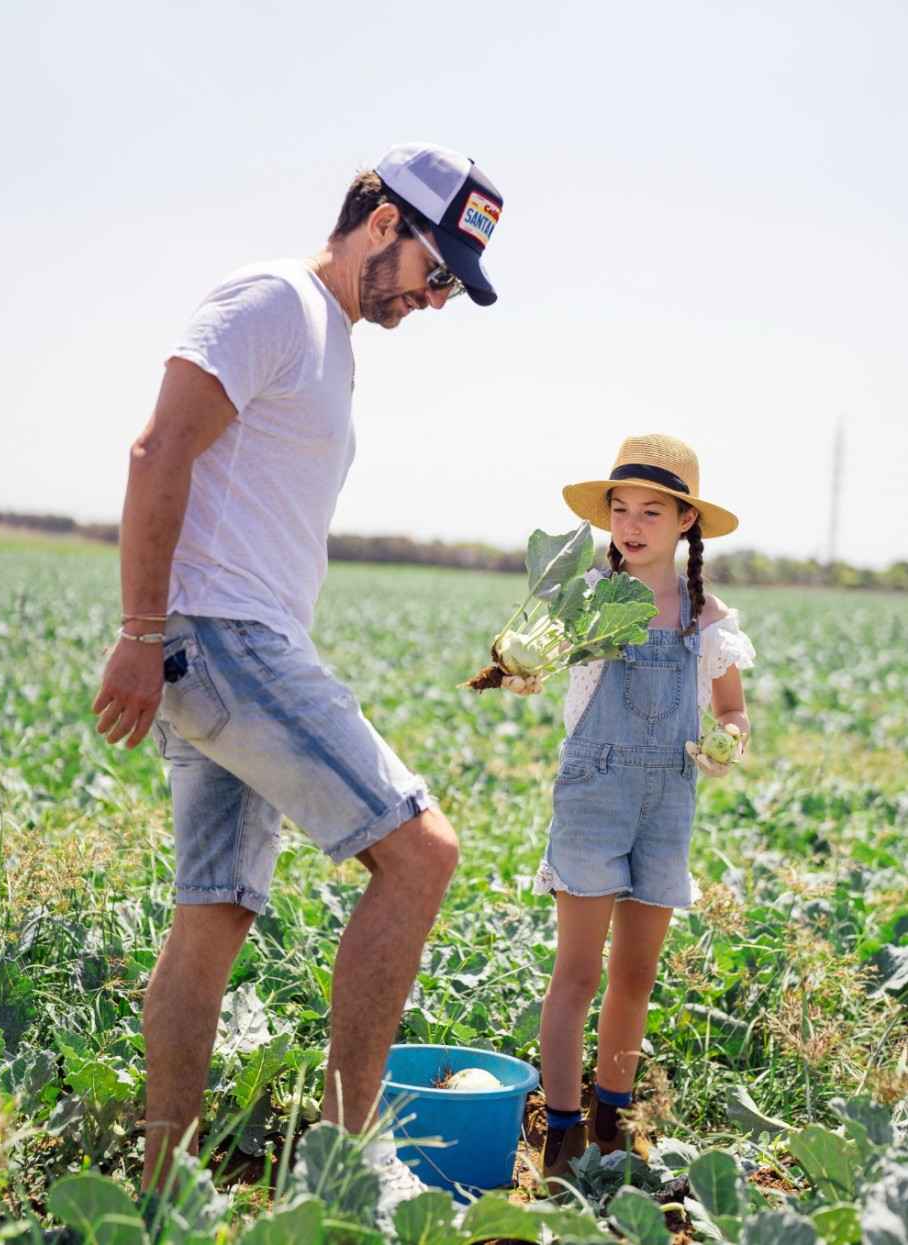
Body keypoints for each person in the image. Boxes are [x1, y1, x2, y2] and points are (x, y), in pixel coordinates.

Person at [91, 142, 504, 1202]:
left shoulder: (333, 343)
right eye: (437, 267)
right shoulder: (275, 299)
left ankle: (160, 1189)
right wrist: (142, 635)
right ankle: (341, 1166)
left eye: (455, 282)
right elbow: (159, 451)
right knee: (422, 855)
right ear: (381, 222)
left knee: (213, 914)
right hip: (224, 637)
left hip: (230, 641)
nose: (438, 297)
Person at [528, 433, 754, 1195]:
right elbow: (541, 655)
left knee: (635, 976)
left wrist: (731, 745)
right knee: (577, 973)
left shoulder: (707, 615)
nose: (630, 523)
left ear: (686, 520)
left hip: (667, 805)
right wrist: (522, 665)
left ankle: (610, 1120)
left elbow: (731, 709)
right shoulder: (584, 595)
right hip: (593, 794)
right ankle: (560, 1130)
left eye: (651, 510)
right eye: (620, 508)